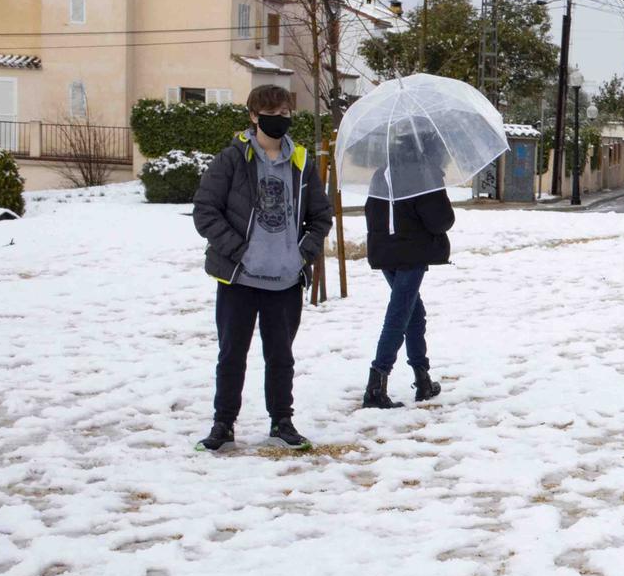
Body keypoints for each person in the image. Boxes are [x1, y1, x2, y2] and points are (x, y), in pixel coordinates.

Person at [191, 85, 331, 452]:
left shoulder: (301, 162)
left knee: (281, 355)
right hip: (240, 278)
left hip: (285, 280)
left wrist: (302, 254)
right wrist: (239, 251)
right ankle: (223, 424)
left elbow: (321, 216)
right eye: (271, 112)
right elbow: (205, 210)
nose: (279, 119)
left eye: (285, 112)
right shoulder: (232, 159)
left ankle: (281, 420)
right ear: (254, 115)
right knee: (232, 354)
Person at [361, 129, 455, 409]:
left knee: (414, 312)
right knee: (399, 314)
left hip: (385, 252)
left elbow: (371, 212)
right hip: (411, 253)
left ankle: (422, 379)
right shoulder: (424, 173)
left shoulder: (384, 172)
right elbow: (440, 220)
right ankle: (376, 383)